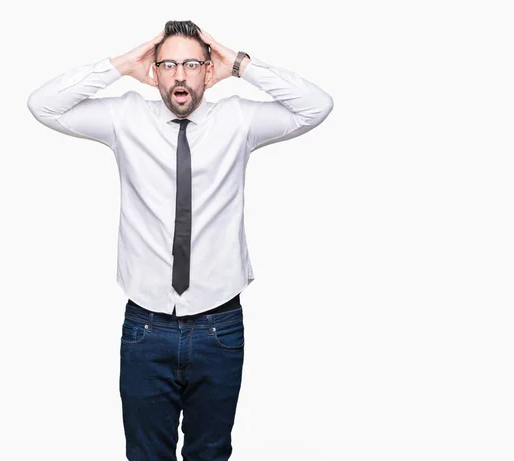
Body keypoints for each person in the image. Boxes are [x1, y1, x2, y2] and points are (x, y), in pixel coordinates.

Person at [27, 20, 333, 461]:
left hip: (219, 327)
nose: (180, 74)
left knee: (210, 454)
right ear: (155, 70)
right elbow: (44, 106)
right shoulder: (125, 116)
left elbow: (316, 106)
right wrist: (119, 65)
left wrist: (243, 65)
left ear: (209, 71)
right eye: (168, 64)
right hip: (145, 328)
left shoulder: (239, 120)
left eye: (192, 63)